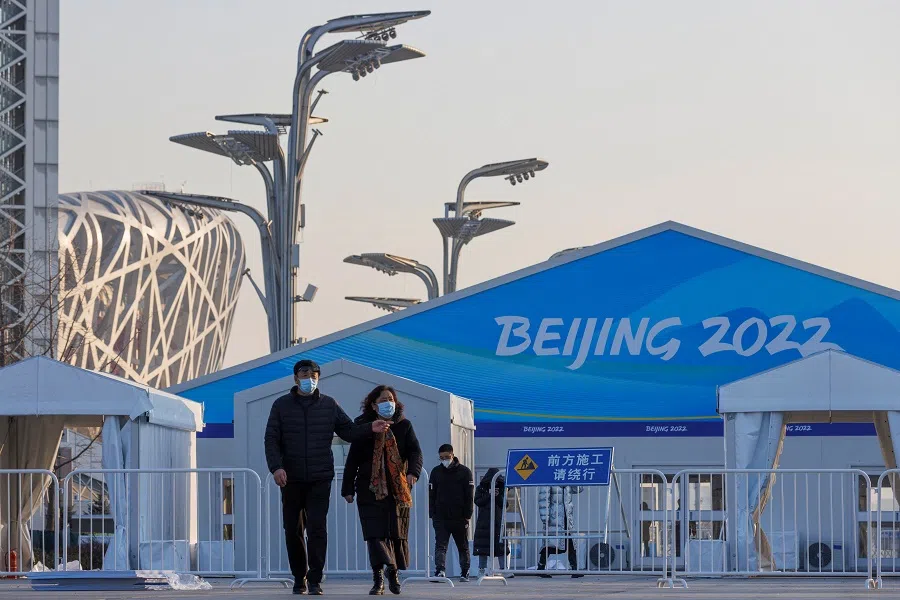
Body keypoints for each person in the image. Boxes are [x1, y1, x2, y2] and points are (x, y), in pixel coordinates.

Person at [265, 359, 390, 596]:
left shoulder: (329, 404)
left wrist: (369, 428)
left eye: (313, 375)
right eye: (304, 374)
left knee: (317, 528)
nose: (309, 379)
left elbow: (349, 432)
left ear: (318, 378)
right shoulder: (281, 405)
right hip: (290, 478)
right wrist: (276, 467)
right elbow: (271, 439)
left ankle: (314, 579)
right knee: (292, 529)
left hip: (320, 477)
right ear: (295, 378)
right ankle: (299, 577)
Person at [342, 386, 423, 596]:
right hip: (369, 487)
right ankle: (379, 578)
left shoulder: (404, 425)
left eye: (391, 399)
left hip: (396, 488)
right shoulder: (363, 426)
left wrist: (413, 472)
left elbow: (415, 452)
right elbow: (352, 460)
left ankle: (393, 573)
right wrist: (347, 488)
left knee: (394, 533)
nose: (388, 403)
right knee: (374, 534)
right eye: (383, 399)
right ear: (373, 404)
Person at [429, 443, 474, 582]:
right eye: (441, 458)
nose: (444, 460)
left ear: (453, 455)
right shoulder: (436, 472)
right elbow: (432, 494)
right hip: (441, 516)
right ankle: (440, 570)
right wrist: (433, 514)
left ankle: (465, 572)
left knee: (462, 545)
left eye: (447, 457)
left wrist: (467, 515)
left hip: (459, 516)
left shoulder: (465, 472)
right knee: (440, 545)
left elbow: (469, 495)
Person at [537, 485, 584, 578]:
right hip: (554, 518)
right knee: (549, 544)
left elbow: (578, 489)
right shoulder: (549, 479)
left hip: (567, 517)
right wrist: (545, 517)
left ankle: (574, 569)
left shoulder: (567, 481)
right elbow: (544, 499)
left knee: (570, 542)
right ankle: (541, 567)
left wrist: (575, 480)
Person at [473, 468, 508, 578]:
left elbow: (505, 504)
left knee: (501, 546)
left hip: (498, 521)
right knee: (483, 547)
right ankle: (482, 570)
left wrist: (497, 495)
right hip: (484, 522)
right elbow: (478, 501)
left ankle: (504, 569)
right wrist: (489, 495)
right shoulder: (481, 488)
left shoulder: (502, 488)